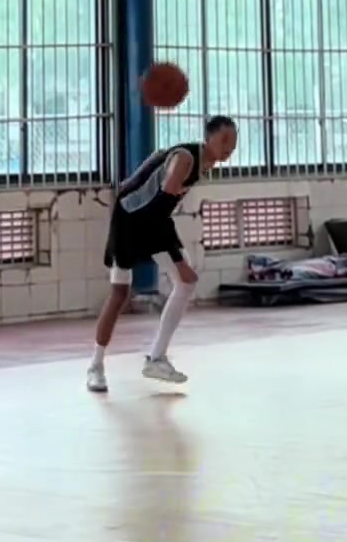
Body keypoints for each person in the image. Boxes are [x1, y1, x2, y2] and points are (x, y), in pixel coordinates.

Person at [86, 115, 238, 393]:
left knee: (185, 281)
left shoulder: (202, 162)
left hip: (151, 218)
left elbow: (155, 161)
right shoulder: (186, 159)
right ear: (209, 139)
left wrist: (132, 181)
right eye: (224, 139)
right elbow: (160, 203)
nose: (230, 146)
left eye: (234, 140)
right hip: (135, 219)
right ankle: (97, 366)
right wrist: (174, 255)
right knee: (121, 294)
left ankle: (155, 357)